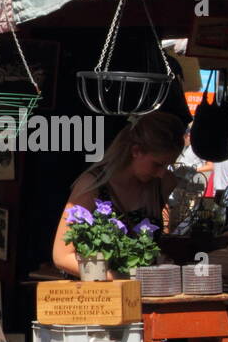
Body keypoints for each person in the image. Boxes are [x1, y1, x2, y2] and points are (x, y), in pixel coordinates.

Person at [51, 110, 186, 277]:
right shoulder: (93, 185)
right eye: (157, 164)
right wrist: (113, 278)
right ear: (136, 151)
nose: (161, 173)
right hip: (96, 294)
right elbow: (62, 256)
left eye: (167, 166)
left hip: (141, 294)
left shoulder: (162, 184)